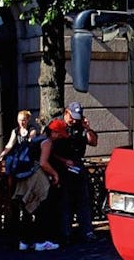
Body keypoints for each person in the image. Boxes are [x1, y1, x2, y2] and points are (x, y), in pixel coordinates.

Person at [10, 120, 62, 251]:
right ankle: (41, 241)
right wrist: (55, 174)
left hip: (25, 176)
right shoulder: (47, 142)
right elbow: (43, 163)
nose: (60, 137)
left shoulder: (37, 139)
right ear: (54, 133)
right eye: (59, 134)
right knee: (42, 208)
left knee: (27, 209)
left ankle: (25, 241)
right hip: (36, 176)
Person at [50, 102, 98, 243]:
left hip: (77, 165)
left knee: (83, 200)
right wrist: (63, 161)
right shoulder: (56, 125)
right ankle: (66, 233)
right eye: (72, 117)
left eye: (77, 117)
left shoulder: (80, 126)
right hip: (61, 166)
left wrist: (87, 129)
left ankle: (86, 231)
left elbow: (93, 142)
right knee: (65, 201)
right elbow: (48, 149)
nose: (74, 120)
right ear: (66, 113)